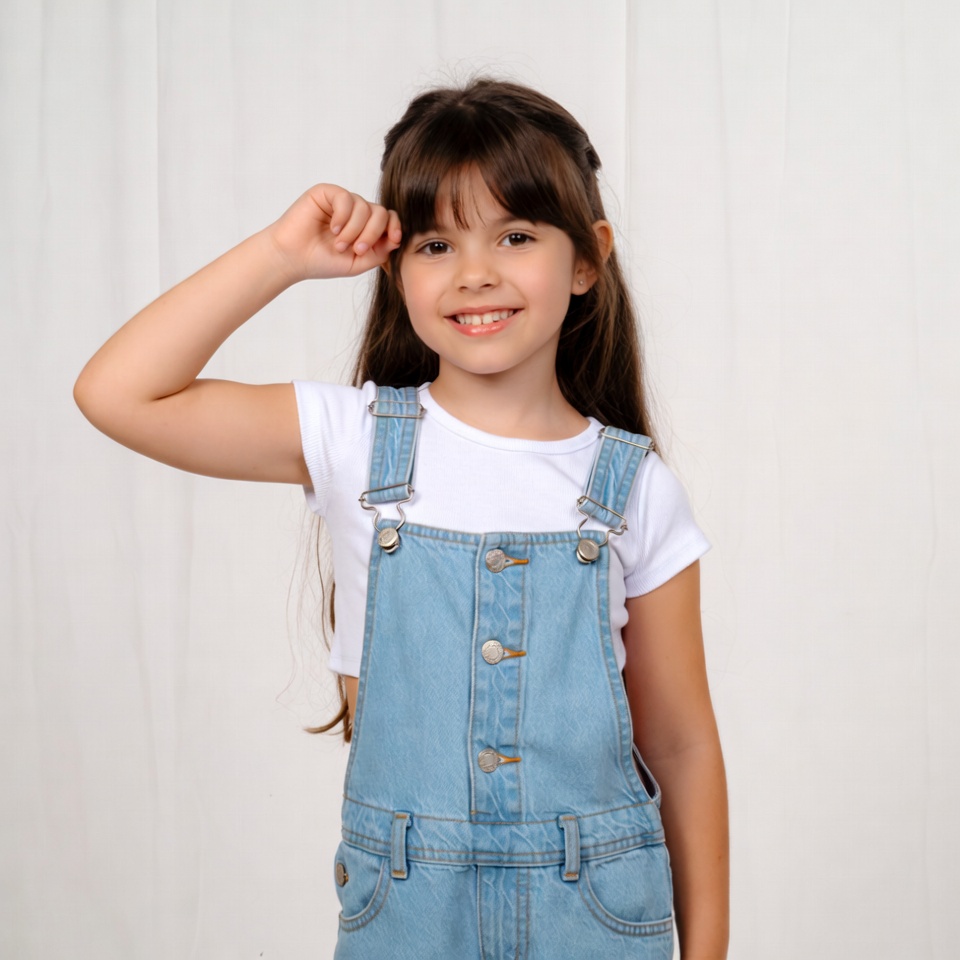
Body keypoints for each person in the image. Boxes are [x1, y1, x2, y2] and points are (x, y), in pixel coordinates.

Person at [75, 78, 728, 959]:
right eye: (434, 243)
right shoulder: (352, 439)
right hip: (410, 916)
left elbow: (682, 744)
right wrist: (281, 252)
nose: (475, 273)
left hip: (601, 916)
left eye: (517, 235)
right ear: (395, 268)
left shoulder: (634, 486)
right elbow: (118, 392)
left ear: (587, 259)